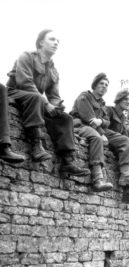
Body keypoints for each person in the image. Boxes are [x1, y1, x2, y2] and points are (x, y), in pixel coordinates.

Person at [6, 29, 89, 177]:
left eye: (58, 41)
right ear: (41, 42)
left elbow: (54, 95)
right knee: (36, 98)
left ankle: (68, 161)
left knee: (65, 118)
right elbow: (24, 83)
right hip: (15, 93)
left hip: (36, 101)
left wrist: (56, 106)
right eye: (52, 39)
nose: (56, 43)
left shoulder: (53, 70)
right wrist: (46, 104)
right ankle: (36, 145)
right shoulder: (27, 56)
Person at [70, 74, 129, 198]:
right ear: (95, 84)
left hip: (97, 128)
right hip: (80, 126)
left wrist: (101, 122)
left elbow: (106, 121)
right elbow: (88, 119)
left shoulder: (102, 103)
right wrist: (101, 131)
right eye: (101, 83)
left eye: (106, 85)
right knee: (96, 137)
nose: (104, 86)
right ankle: (97, 178)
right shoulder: (84, 97)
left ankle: (126, 175)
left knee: (125, 141)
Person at [0, 83, 25, 163]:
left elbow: (54, 97)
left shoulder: (52, 72)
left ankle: (3, 145)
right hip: (19, 91)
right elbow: (26, 84)